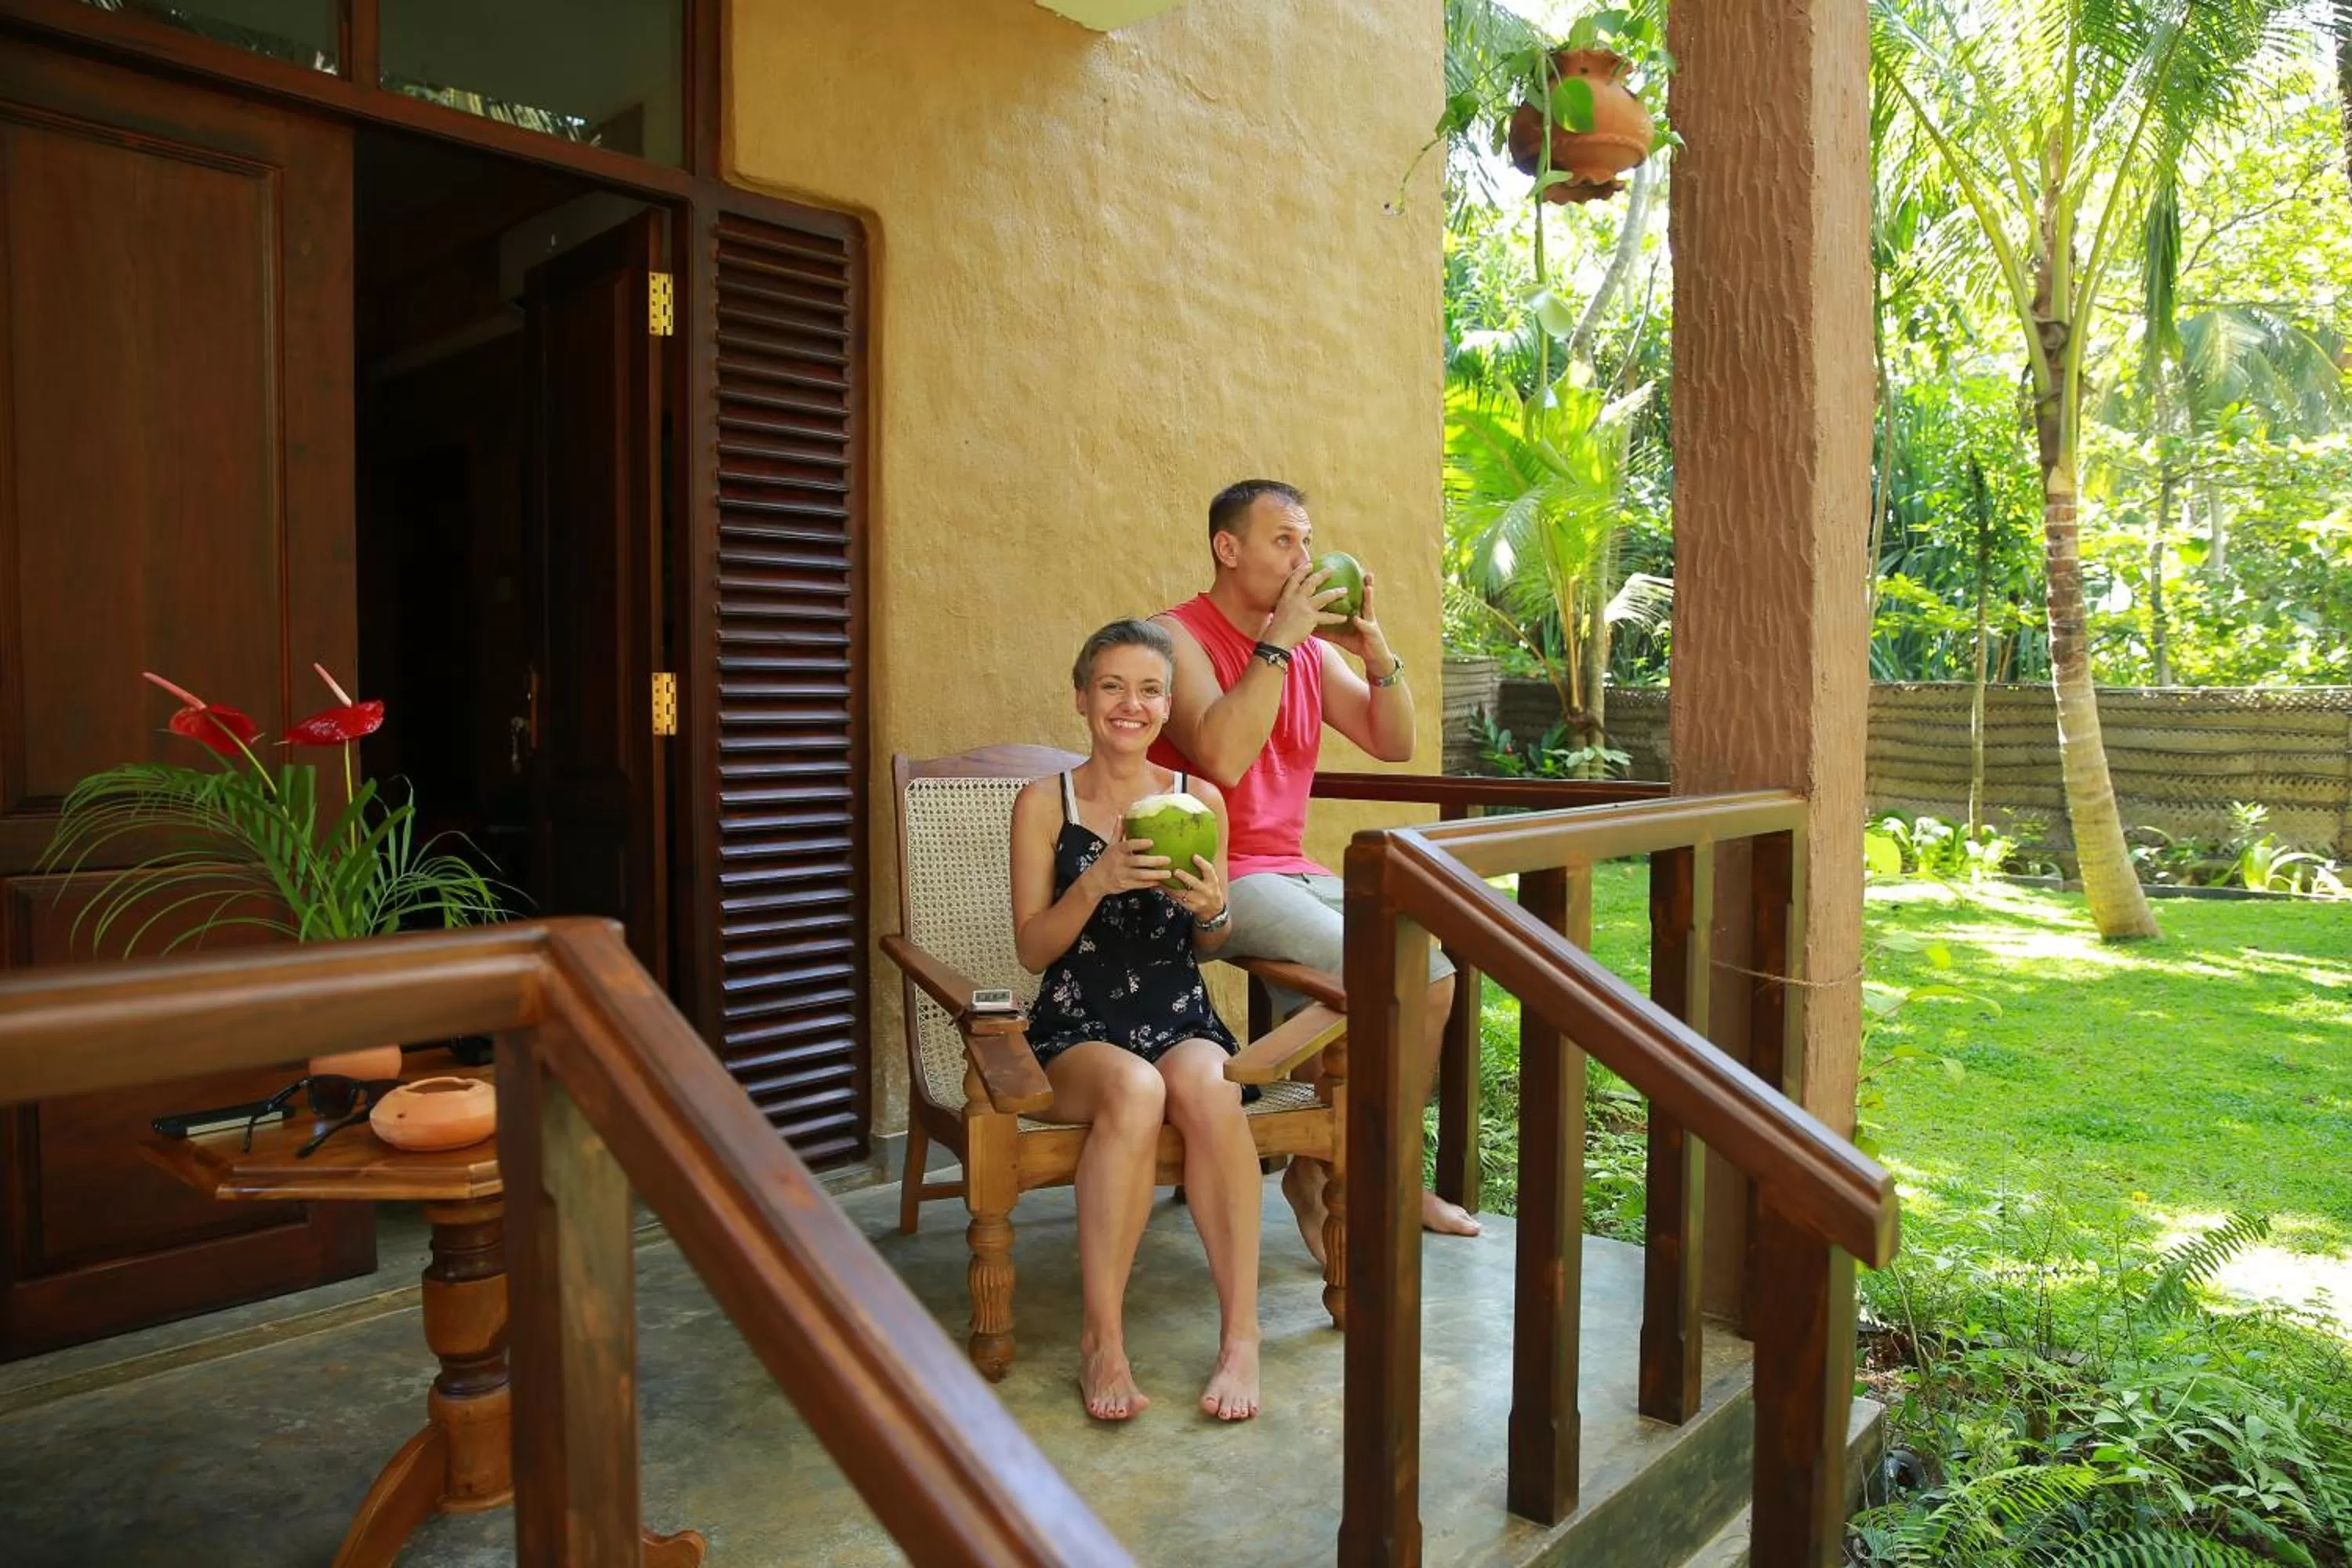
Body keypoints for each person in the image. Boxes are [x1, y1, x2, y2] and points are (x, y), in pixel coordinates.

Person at [1149, 478, 1478, 1262]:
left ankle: (1350, 1167)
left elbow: (1391, 739)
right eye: (1284, 542)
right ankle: (1340, 1170)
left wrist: (1378, 653)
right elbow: (1222, 755)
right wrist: (1278, 642)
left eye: (1307, 541)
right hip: (1207, 872)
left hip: (1289, 868)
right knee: (1369, 965)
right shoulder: (1174, 639)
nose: (1305, 559)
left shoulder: (1310, 653)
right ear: (1229, 549)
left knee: (1432, 974)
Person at [1011, 618, 1265, 1424]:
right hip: (1079, 1024)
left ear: (1166, 704)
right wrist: (1097, 881)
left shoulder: (1198, 802)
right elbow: (1031, 947)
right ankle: (1103, 1338)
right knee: (1132, 1088)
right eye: (1113, 685)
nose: (1132, 702)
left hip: (1178, 1011)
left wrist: (1216, 909)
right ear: (1083, 696)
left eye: (1150, 688)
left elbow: (1211, 942)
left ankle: (1242, 1335)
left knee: (1213, 1088)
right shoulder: (1044, 802)